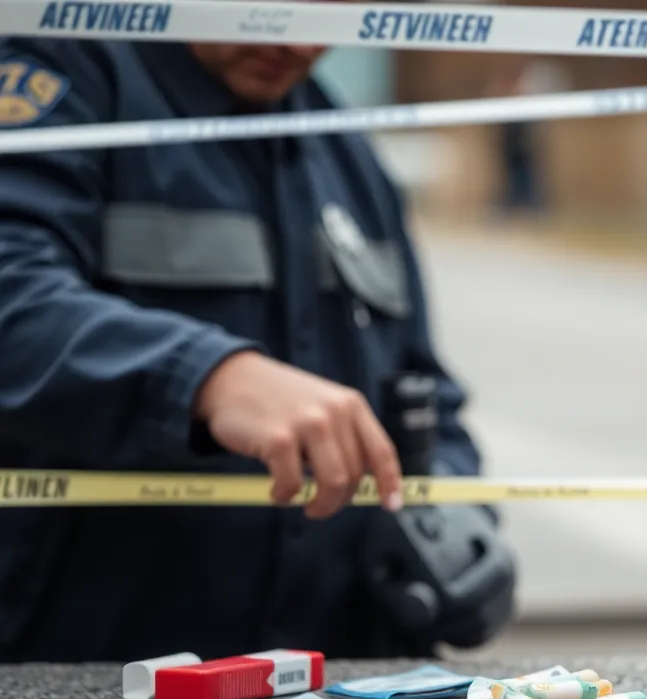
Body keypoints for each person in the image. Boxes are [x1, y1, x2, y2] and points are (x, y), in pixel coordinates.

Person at [0, 32, 513, 663]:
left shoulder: (342, 143)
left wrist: (459, 523)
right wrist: (205, 378)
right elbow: (12, 295)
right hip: (96, 677)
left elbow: (422, 389)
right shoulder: (56, 77)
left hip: (335, 694)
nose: (298, 40)